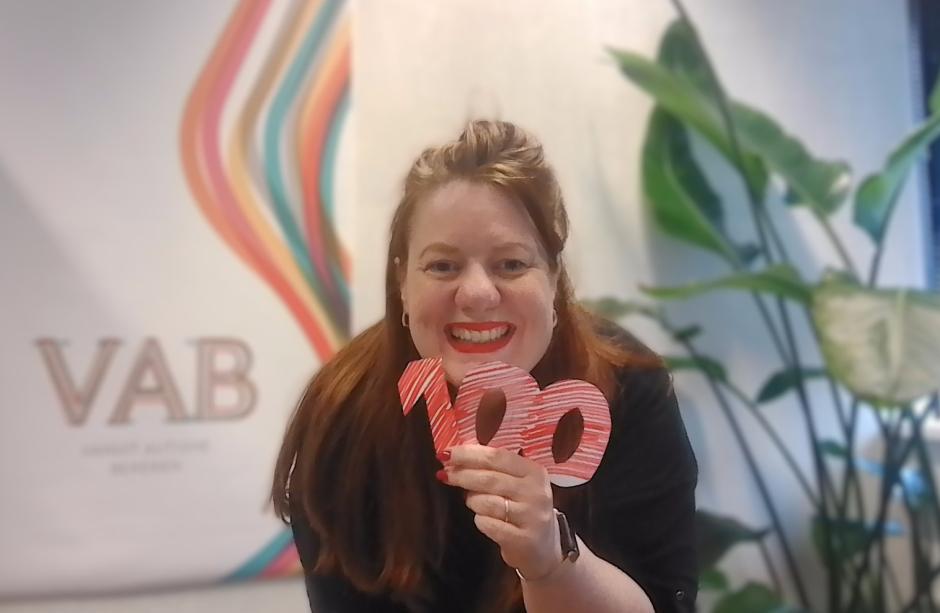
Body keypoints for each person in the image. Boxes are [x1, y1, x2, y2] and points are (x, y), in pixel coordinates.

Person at [271, 120, 698, 613]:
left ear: (555, 279)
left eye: (512, 264)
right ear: (402, 282)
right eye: (442, 266)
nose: (477, 294)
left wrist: (550, 559)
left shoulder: (626, 389)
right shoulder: (344, 410)